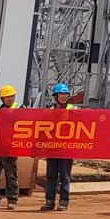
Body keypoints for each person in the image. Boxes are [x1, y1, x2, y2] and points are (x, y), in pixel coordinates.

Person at [40, 83, 76, 212]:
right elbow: (43, 129)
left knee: (65, 177)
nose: (64, 96)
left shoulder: (74, 110)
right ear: (55, 96)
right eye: (61, 94)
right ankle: (49, 201)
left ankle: (63, 202)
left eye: (66, 94)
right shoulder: (50, 111)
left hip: (66, 149)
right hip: (52, 148)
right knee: (51, 176)